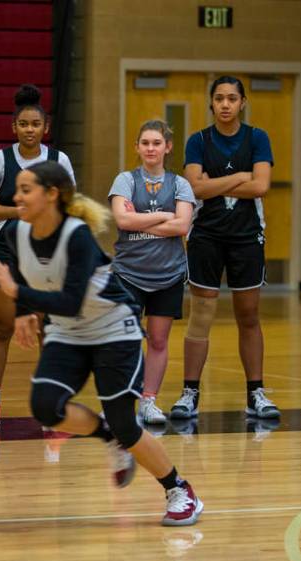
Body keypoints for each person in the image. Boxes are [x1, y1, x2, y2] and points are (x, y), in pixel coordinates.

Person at [0, 161, 202, 526]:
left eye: (25, 189)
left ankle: (180, 489)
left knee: (127, 425)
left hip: (113, 327)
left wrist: (18, 294)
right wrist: (22, 310)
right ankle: (108, 435)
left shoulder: (77, 236)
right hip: (68, 331)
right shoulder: (14, 234)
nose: (16, 196)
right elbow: (20, 272)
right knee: (45, 406)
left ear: (51, 194)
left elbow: (68, 299)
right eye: (17, 189)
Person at [176, 76, 279, 421]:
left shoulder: (258, 138)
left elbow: (262, 186)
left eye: (232, 98)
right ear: (211, 103)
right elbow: (194, 188)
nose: (225, 104)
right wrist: (239, 178)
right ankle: (190, 392)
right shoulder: (198, 141)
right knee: (200, 316)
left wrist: (214, 183)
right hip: (206, 236)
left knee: (248, 316)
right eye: (219, 98)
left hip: (247, 237)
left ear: (242, 102)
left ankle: (256, 393)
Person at [0, 84, 76, 428]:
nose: (29, 129)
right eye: (23, 124)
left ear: (45, 128)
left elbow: (69, 206)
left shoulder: (58, 160)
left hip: (47, 254)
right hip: (7, 252)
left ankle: (52, 406)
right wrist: (22, 211)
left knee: (50, 327)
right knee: (2, 327)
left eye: (35, 124)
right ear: (13, 128)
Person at [109, 119, 195, 424]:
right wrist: (162, 217)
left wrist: (143, 219)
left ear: (167, 147)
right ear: (137, 147)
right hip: (129, 273)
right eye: (145, 143)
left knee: (158, 340)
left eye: (156, 143)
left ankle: (148, 401)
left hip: (168, 274)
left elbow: (182, 226)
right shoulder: (125, 180)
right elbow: (122, 221)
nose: (150, 148)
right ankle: (122, 403)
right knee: (125, 340)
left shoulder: (180, 184)